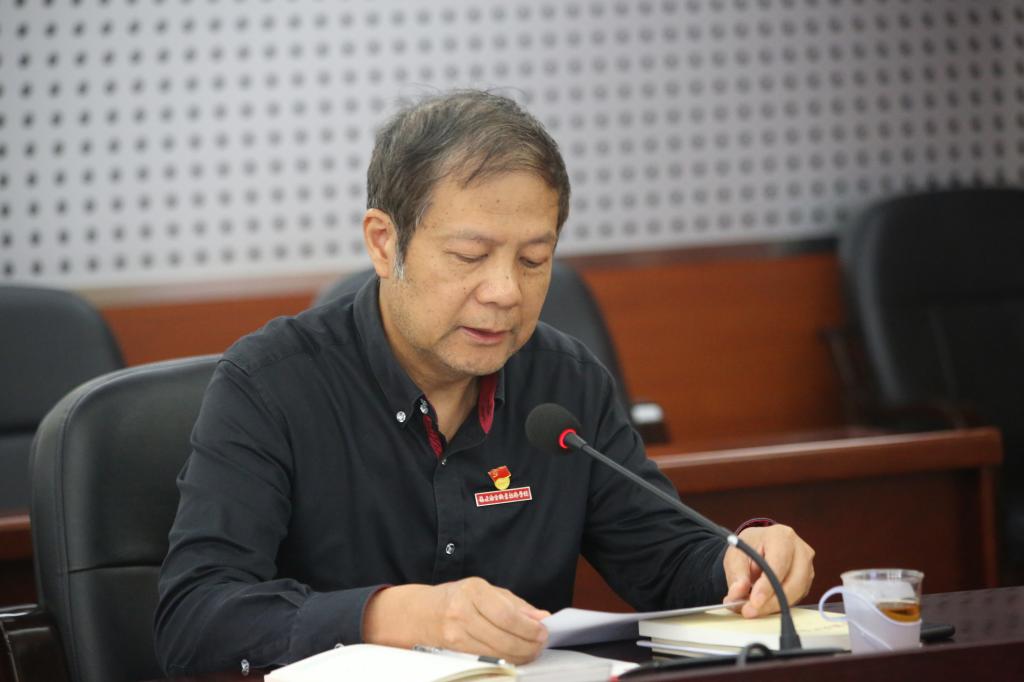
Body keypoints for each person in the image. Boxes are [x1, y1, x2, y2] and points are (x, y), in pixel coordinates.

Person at [154, 89, 814, 676]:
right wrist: (394, 615)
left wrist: (742, 560)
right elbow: (195, 617)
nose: (505, 292)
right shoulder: (271, 387)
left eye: (533, 260)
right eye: (470, 256)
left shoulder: (567, 384)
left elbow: (666, 560)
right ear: (384, 243)